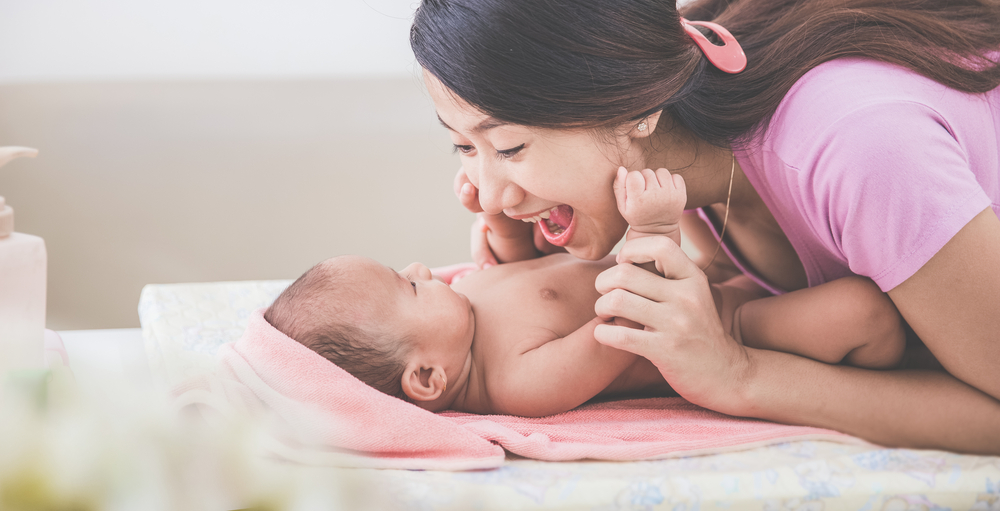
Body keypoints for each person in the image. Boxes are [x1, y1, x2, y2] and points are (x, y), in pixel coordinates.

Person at [409, 0, 1000, 452]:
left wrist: (740, 376)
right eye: (464, 147)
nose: (491, 197)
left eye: (510, 147)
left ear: (631, 107)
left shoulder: (863, 150)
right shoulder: (687, 117)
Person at [264, 167, 904, 417]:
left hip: (710, 279)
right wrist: (653, 230)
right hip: (733, 324)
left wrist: (501, 224)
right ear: (427, 378)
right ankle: (902, 362)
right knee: (863, 310)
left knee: (796, 238)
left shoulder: (466, 305)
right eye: (407, 286)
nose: (419, 268)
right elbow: (627, 327)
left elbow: (529, 271)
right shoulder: (517, 384)